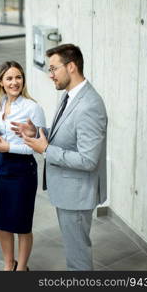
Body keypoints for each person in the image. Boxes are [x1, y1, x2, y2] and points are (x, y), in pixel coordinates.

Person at [12, 44, 108, 270]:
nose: (50, 75)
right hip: (67, 191)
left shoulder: (89, 105)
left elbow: (88, 160)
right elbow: (66, 136)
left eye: (54, 69)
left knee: (78, 260)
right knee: (75, 252)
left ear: (71, 66)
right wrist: (36, 132)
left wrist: (45, 150)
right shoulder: (71, 96)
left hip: (76, 195)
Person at [0, 61, 46, 271]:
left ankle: (21, 269)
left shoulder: (33, 108)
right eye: (9, 78)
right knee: (3, 223)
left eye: (18, 77)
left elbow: (37, 148)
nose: (15, 82)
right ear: (1, 83)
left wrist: (8, 147)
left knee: (22, 224)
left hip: (23, 171)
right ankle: (8, 265)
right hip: (3, 168)